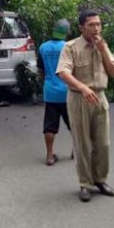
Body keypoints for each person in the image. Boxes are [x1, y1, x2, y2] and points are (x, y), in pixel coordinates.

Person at [56, 9, 114, 202]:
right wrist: (82, 88)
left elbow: (113, 72)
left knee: (103, 143)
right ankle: (85, 184)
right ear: (82, 27)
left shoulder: (103, 45)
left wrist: (103, 51)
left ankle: (100, 180)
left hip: (99, 97)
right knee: (82, 143)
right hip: (79, 98)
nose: (96, 28)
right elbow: (63, 72)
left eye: (99, 24)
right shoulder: (71, 47)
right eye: (92, 25)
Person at [37, 19, 72, 166]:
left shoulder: (43, 47)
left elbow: (41, 70)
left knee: (50, 126)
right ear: (66, 32)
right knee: (74, 124)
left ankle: (50, 156)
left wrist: (44, 83)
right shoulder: (68, 47)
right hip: (68, 91)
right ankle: (76, 150)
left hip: (50, 92)